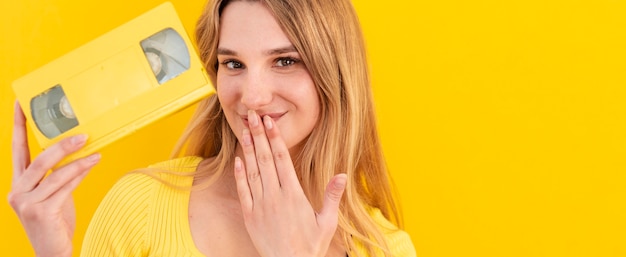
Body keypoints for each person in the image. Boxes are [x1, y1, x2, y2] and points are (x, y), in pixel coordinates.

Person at [9, 0, 417, 256]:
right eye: (233, 64)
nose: (252, 96)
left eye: (285, 61)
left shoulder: (385, 249)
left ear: (336, 75)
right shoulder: (140, 206)